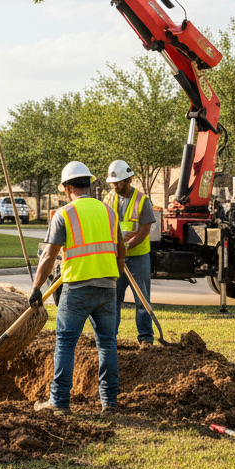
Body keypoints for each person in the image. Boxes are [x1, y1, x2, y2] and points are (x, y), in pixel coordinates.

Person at [30, 161, 126, 415]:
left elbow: (49, 256)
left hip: (77, 289)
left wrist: (36, 287)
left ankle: (59, 402)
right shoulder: (108, 212)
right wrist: (116, 270)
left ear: (68, 187)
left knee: (65, 343)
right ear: (88, 184)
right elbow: (121, 249)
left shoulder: (64, 214)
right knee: (107, 343)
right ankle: (109, 401)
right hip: (107, 287)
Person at [104, 159, 156, 345]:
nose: (114, 186)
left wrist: (126, 247)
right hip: (116, 257)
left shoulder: (142, 201)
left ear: (128, 180)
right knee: (113, 298)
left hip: (137, 258)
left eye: (117, 183)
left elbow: (144, 231)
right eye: (112, 183)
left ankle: (146, 339)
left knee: (142, 299)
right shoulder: (109, 199)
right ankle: (110, 337)